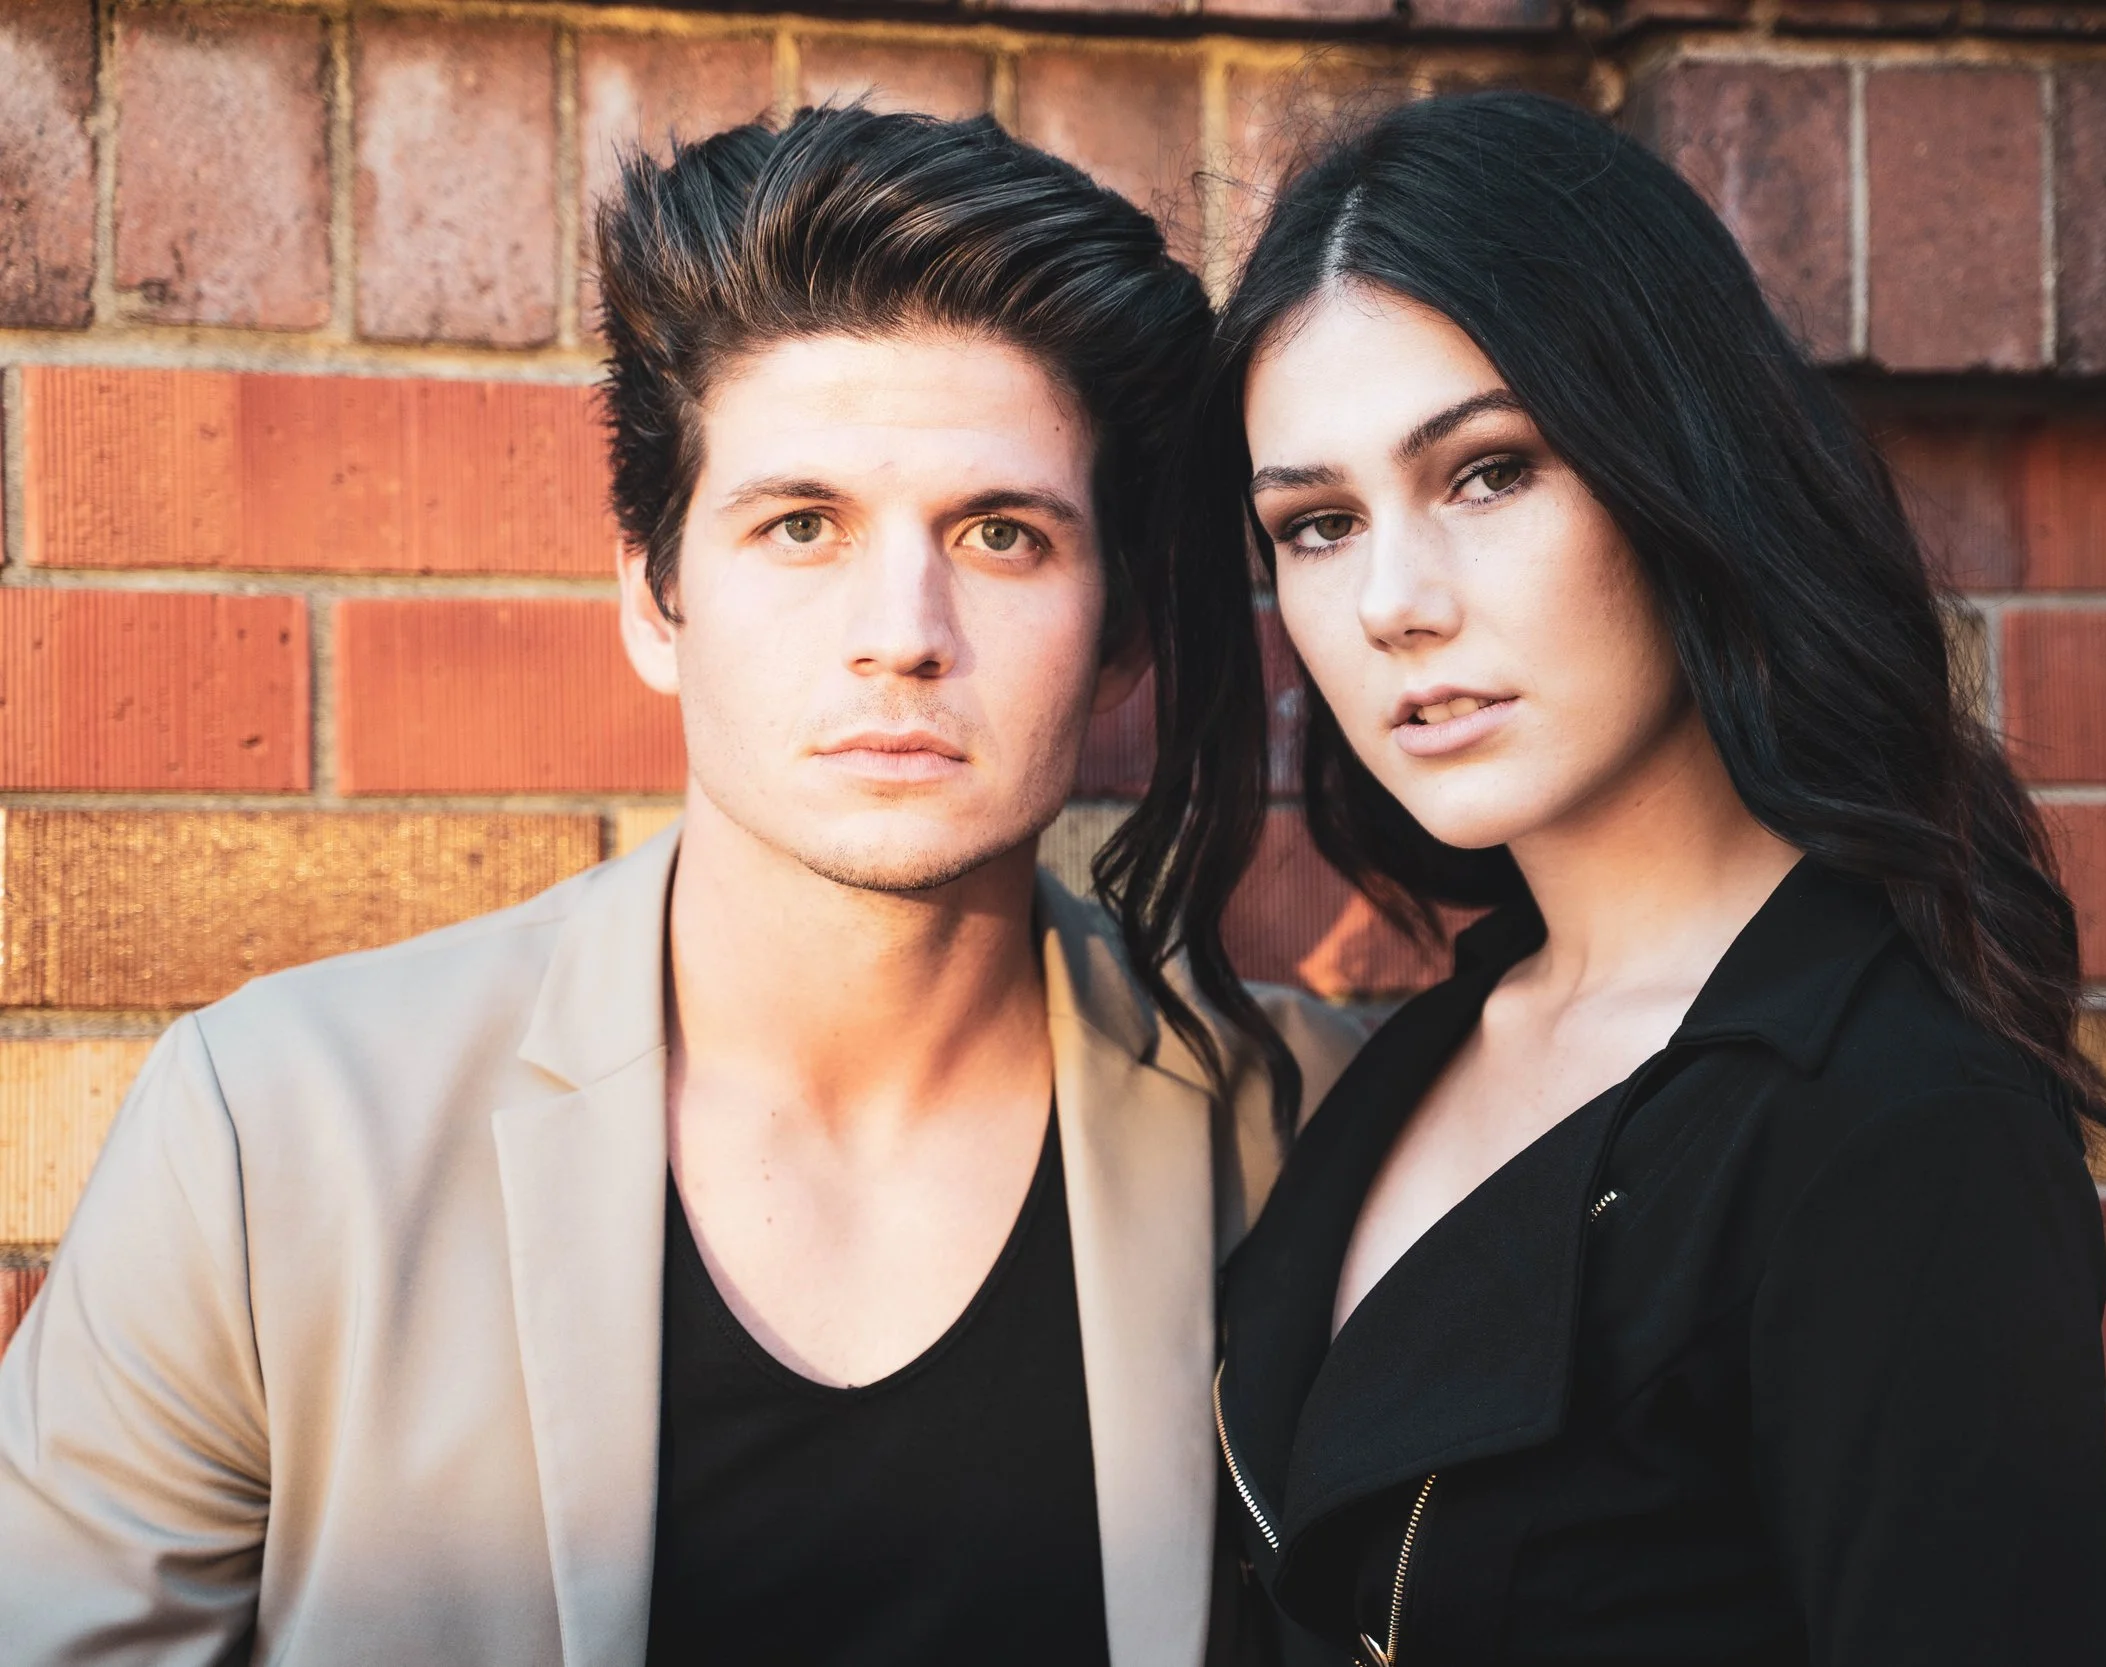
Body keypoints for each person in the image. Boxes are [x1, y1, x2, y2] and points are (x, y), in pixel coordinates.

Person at [0, 106, 1359, 1667]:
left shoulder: (1305, 1132)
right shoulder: (274, 1140)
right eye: (801, 526)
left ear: (1121, 631)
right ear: (656, 601)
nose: (901, 629)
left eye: (1001, 534)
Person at [1192, 93, 2106, 1667]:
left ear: (1676, 463)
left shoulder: (1890, 1115)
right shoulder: (1428, 1049)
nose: (1391, 601)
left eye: (1489, 472)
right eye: (1315, 523)